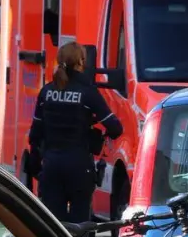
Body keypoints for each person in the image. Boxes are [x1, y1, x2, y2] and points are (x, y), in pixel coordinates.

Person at [27, 42, 123, 223]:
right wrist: (94, 126)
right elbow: (115, 128)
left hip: (51, 167)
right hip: (79, 168)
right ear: (81, 62)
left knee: (54, 229)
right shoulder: (87, 92)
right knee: (80, 227)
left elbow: (36, 132)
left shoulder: (46, 91)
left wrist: (35, 161)